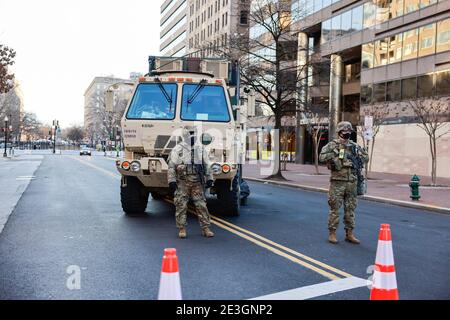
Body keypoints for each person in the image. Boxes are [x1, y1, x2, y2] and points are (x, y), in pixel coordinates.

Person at [319, 121, 369, 245]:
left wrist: (358, 158)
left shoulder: (354, 146)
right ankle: (332, 233)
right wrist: (336, 157)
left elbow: (366, 158)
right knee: (335, 208)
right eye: (345, 132)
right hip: (337, 183)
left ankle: (349, 233)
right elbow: (322, 157)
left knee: (350, 209)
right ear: (339, 132)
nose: (347, 135)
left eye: (349, 132)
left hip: (352, 182)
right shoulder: (332, 145)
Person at [167, 127, 215, 239]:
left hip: (197, 182)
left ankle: (206, 228)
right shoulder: (177, 149)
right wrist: (172, 180)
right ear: (185, 135)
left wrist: (209, 178)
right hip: (182, 182)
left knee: (201, 205)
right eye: (190, 134)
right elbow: (171, 166)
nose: (192, 137)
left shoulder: (200, 149)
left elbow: (207, 164)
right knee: (181, 205)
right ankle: (182, 228)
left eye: (194, 135)